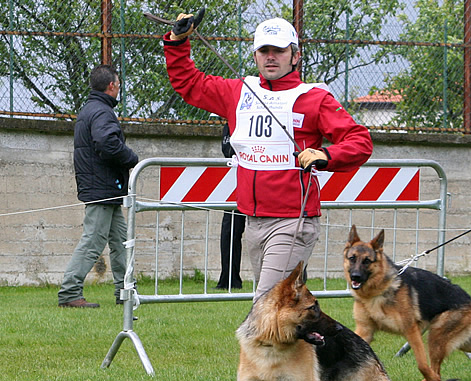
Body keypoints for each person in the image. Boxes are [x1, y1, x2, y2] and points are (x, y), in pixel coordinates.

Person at [164, 11, 373, 300]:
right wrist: (177, 42)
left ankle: (251, 346)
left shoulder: (314, 98)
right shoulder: (238, 92)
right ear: (255, 56)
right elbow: (189, 84)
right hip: (252, 220)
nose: (271, 57)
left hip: (293, 221)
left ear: (295, 56)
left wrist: (326, 154)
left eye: (279, 50)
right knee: (287, 306)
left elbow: (360, 141)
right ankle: (320, 341)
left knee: (267, 303)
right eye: (264, 50)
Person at [57, 65, 139, 308]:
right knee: (93, 241)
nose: (119, 88)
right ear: (111, 86)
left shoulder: (90, 110)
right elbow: (108, 145)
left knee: (121, 242)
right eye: (118, 84)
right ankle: (70, 293)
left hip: (105, 188)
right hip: (103, 188)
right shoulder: (102, 112)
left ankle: (126, 292)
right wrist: (131, 157)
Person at [216, 123, 245, 290]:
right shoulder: (229, 125)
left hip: (261, 180)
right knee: (229, 231)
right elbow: (227, 151)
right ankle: (229, 279)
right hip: (234, 183)